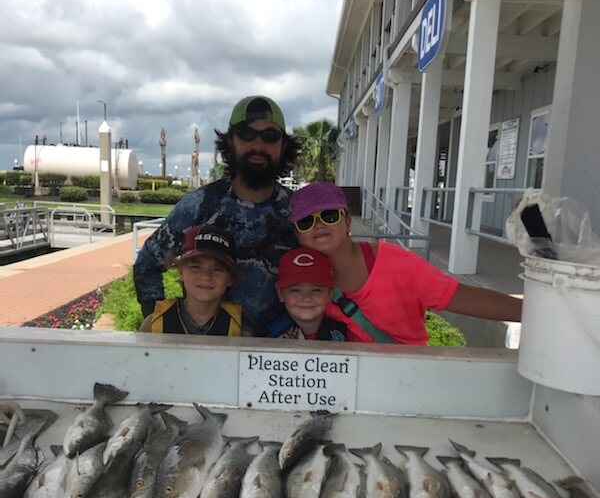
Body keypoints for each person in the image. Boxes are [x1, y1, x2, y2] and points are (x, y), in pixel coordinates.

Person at [134, 96, 301, 333]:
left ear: (283, 145)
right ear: (231, 141)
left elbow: (329, 275)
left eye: (270, 136)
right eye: (246, 134)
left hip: (276, 355)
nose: (258, 145)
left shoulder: (299, 213)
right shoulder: (200, 205)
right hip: (210, 349)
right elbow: (147, 264)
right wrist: (163, 325)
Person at [289, 181, 522, 345]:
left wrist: (534, 313)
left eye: (329, 216)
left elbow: (460, 297)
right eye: (306, 221)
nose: (318, 225)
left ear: (348, 222)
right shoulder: (296, 277)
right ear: (297, 234)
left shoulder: (396, 264)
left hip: (407, 379)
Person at [139, 224, 251, 336]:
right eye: (196, 267)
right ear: (181, 272)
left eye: (218, 269)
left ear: (230, 278)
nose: (206, 276)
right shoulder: (152, 324)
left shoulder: (242, 329)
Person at [272, 247, 348, 341]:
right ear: (281, 293)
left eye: (316, 290)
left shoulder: (346, 332)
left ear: (330, 293)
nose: (306, 298)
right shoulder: (264, 336)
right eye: (295, 290)